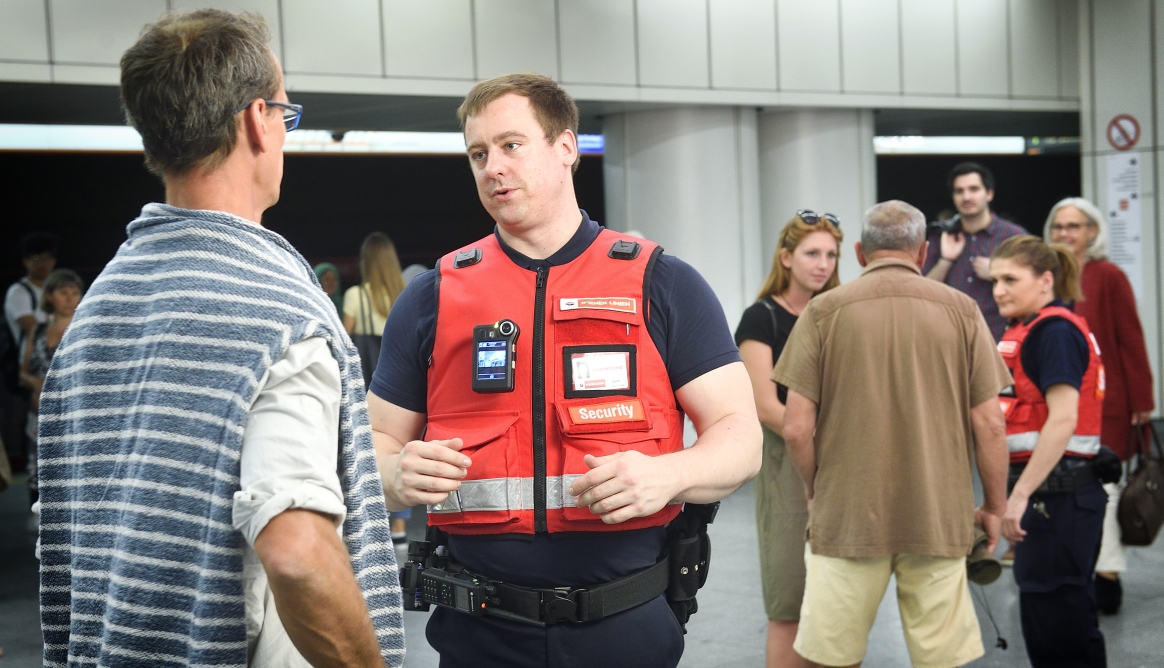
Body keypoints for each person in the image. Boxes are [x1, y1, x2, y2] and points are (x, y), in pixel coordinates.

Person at [36, 10, 402, 667]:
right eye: (286, 116)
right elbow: (295, 552)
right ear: (255, 121)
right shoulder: (279, 314)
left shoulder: (96, 314)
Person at [368, 73, 761, 667]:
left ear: (566, 148)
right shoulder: (433, 297)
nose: (492, 167)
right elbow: (375, 441)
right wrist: (395, 474)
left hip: (624, 626)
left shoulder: (663, 282)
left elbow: (741, 437)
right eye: (478, 153)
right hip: (479, 634)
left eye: (511, 145)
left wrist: (669, 475)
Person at [774, 200, 1011, 668]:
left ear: (860, 252)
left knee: (831, 657)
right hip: (939, 514)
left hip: (847, 516)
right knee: (941, 657)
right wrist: (995, 507)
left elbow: (796, 427)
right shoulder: (962, 310)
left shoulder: (823, 312)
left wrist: (816, 490)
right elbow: (990, 422)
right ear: (923, 252)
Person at [990, 235, 1109, 667]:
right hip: (1052, 496)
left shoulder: (1053, 332)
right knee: (1049, 618)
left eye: (1009, 279)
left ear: (1045, 281)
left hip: (1059, 499)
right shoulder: (1030, 328)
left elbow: (1063, 419)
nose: (998, 289)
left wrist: (1017, 497)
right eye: (994, 280)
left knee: (1062, 625)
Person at [735, 211, 841, 668]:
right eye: (812, 253)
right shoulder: (762, 318)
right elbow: (764, 405)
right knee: (789, 599)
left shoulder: (837, 313)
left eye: (831, 255)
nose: (823, 264)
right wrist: (812, 440)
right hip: (786, 463)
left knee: (837, 600)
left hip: (840, 464)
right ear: (786, 257)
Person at [1044, 197, 1154, 613]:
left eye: (1074, 226)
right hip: (1058, 404)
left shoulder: (1108, 275)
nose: (1065, 234)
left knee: (1104, 489)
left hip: (1108, 403)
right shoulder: (1046, 277)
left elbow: (1130, 339)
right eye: (1058, 227)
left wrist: (1142, 399)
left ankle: (1107, 576)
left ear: (1093, 232)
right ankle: (1075, 574)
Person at [922, 162, 1026, 341]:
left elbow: (1033, 289)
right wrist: (945, 261)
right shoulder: (940, 237)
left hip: (999, 340)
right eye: (959, 191)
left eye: (973, 189)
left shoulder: (1014, 237)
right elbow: (921, 292)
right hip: (949, 340)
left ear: (989, 193)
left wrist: (997, 273)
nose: (966, 197)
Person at [19, 268, 82, 526]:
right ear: (50, 297)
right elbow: (22, 372)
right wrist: (35, 382)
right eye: (63, 293)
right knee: (38, 468)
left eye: (75, 292)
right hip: (40, 414)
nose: (70, 298)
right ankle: (42, 523)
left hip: (73, 413)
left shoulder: (83, 327)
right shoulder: (38, 331)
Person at [344, 232, 405, 386]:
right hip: (399, 378)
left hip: (367, 378)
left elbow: (343, 343)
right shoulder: (404, 294)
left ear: (365, 262)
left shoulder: (355, 295)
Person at [4, 232, 57, 347]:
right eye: (36, 257)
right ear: (25, 261)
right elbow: (34, 331)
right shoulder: (18, 292)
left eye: (47, 257)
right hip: (32, 360)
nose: (42, 263)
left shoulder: (58, 290)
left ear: (54, 260)